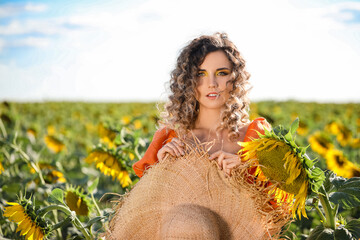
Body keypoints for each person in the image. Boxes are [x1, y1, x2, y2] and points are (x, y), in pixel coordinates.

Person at [133, 32, 271, 178]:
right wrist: (161, 170)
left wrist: (249, 173)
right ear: (187, 81)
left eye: (222, 73)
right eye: (200, 74)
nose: (212, 84)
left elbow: (281, 198)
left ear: (235, 79)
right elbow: (143, 199)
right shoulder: (168, 140)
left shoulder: (256, 138)